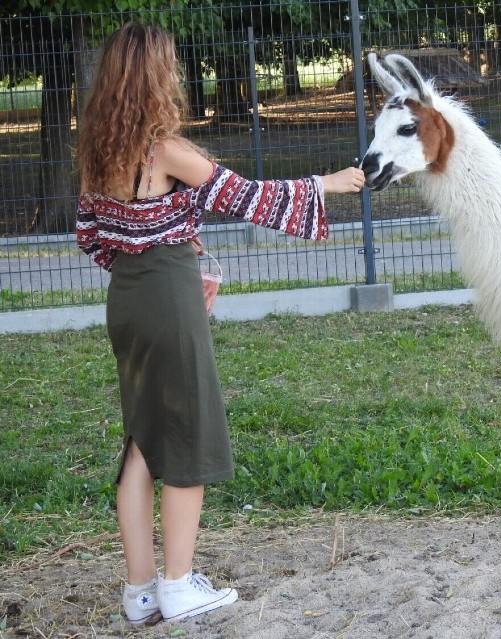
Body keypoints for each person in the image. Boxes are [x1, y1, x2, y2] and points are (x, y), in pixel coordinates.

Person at [75, 21, 364, 625]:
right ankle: (179, 585)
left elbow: (92, 237)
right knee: (186, 437)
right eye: (171, 65)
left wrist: (166, 246)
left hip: (126, 301)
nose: (176, 73)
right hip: (165, 300)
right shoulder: (163, 148)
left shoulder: (98, 149)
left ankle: (141, 594)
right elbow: (244, 196)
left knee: (141, 447)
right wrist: (324, 185)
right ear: (156, 76)